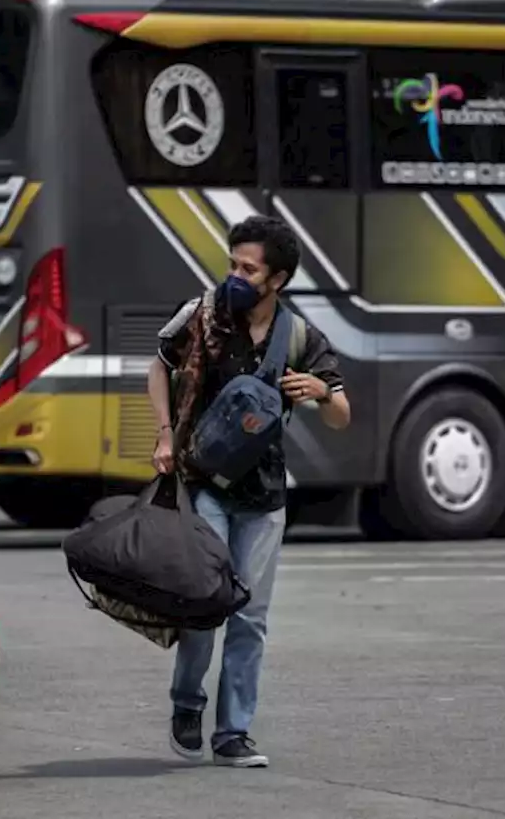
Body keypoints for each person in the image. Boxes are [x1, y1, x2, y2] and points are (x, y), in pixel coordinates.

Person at [146, 215, 351, 768]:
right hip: (204, 484)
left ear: (277, 279)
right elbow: (158, 367)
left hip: (264, 497)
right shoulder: (204, 315)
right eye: (233, 263)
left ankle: (233, 732)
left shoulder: (301, 337)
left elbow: (341, 414)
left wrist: (319, 393)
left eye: (248, 268)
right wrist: (165, 434)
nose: (235, 275)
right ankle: (187, 702)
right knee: (205, 603)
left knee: (250, 617)